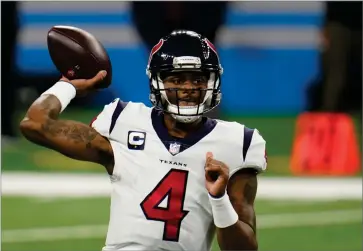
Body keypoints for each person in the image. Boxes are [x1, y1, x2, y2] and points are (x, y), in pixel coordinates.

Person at [20, 30, 267, 251]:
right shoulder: (123, 121)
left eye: (198, 79)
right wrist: (68, 86)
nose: (189, 88)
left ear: (212, 83)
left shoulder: (238, 143)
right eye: (177, 80)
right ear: (157, 82)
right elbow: (35, 125)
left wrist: (219, 199)